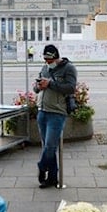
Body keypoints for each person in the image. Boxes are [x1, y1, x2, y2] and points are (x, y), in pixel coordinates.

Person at [32, 44, 77, 189]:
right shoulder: (45, 68)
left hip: (57, 112)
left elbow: (70, 88)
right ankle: (51, 178)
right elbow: (36, 88)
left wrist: (50, 84)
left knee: (50, 146)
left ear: (56, 58)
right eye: (45, 60)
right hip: (42, 111)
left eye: (50, 60)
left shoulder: (68, 68)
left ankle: (41, 166)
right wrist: (38, 86)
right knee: (47, 147)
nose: (47, 63)